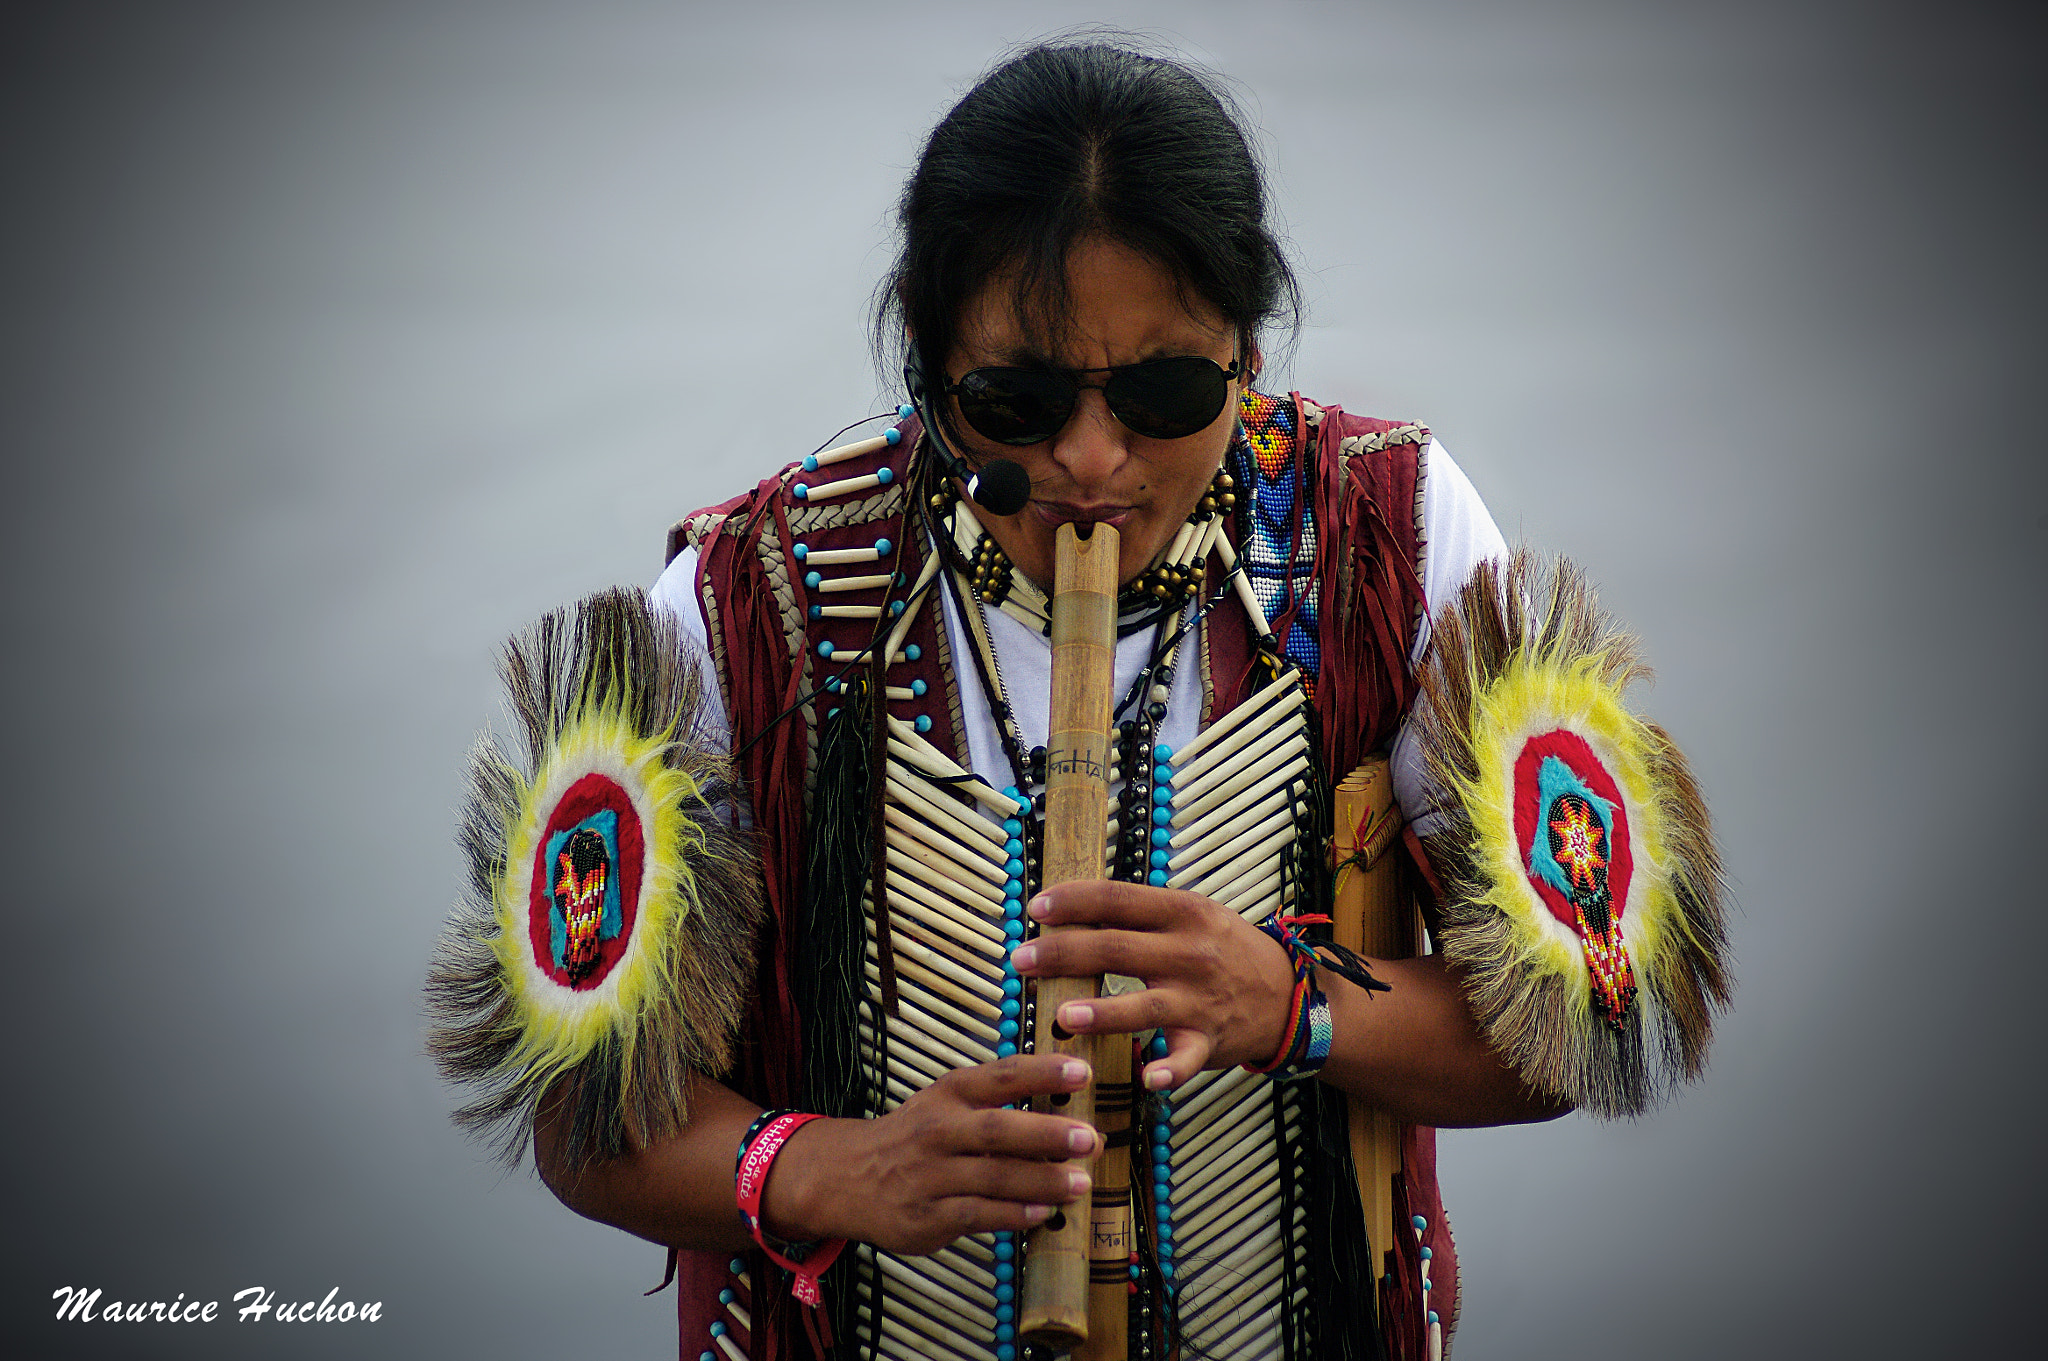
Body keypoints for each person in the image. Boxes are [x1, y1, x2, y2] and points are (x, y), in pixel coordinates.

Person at [539, 41, 1570, 1361]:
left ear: (1249, 347)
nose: (1093, 459)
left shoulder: (1395, 531)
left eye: (1165, 392)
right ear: (927, 356)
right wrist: (813, 1171)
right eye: (1016, 400)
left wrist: (1298, 1005)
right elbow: (578, 1107)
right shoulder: (749, 598)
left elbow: (1592, 1009)